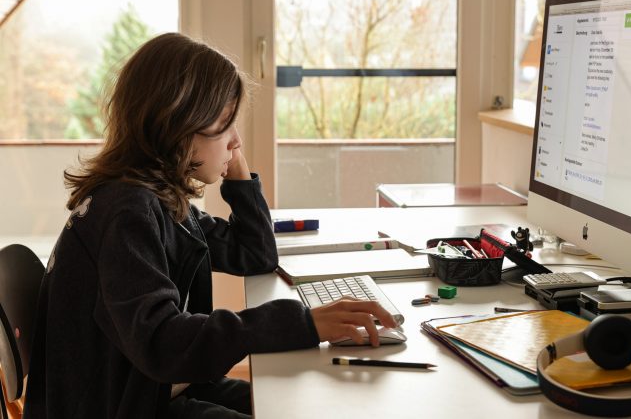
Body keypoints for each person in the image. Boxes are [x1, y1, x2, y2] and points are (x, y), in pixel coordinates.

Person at [24, 32, 396, 419]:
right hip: (128, 404)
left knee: (295, 402)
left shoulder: (156, 198)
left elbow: (253, 254)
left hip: (150, 389)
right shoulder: (126, 214)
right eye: (225, 124)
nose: (236, 140)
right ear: (177, 127)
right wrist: (300, 323)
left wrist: (235, 168)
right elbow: (161, 343)